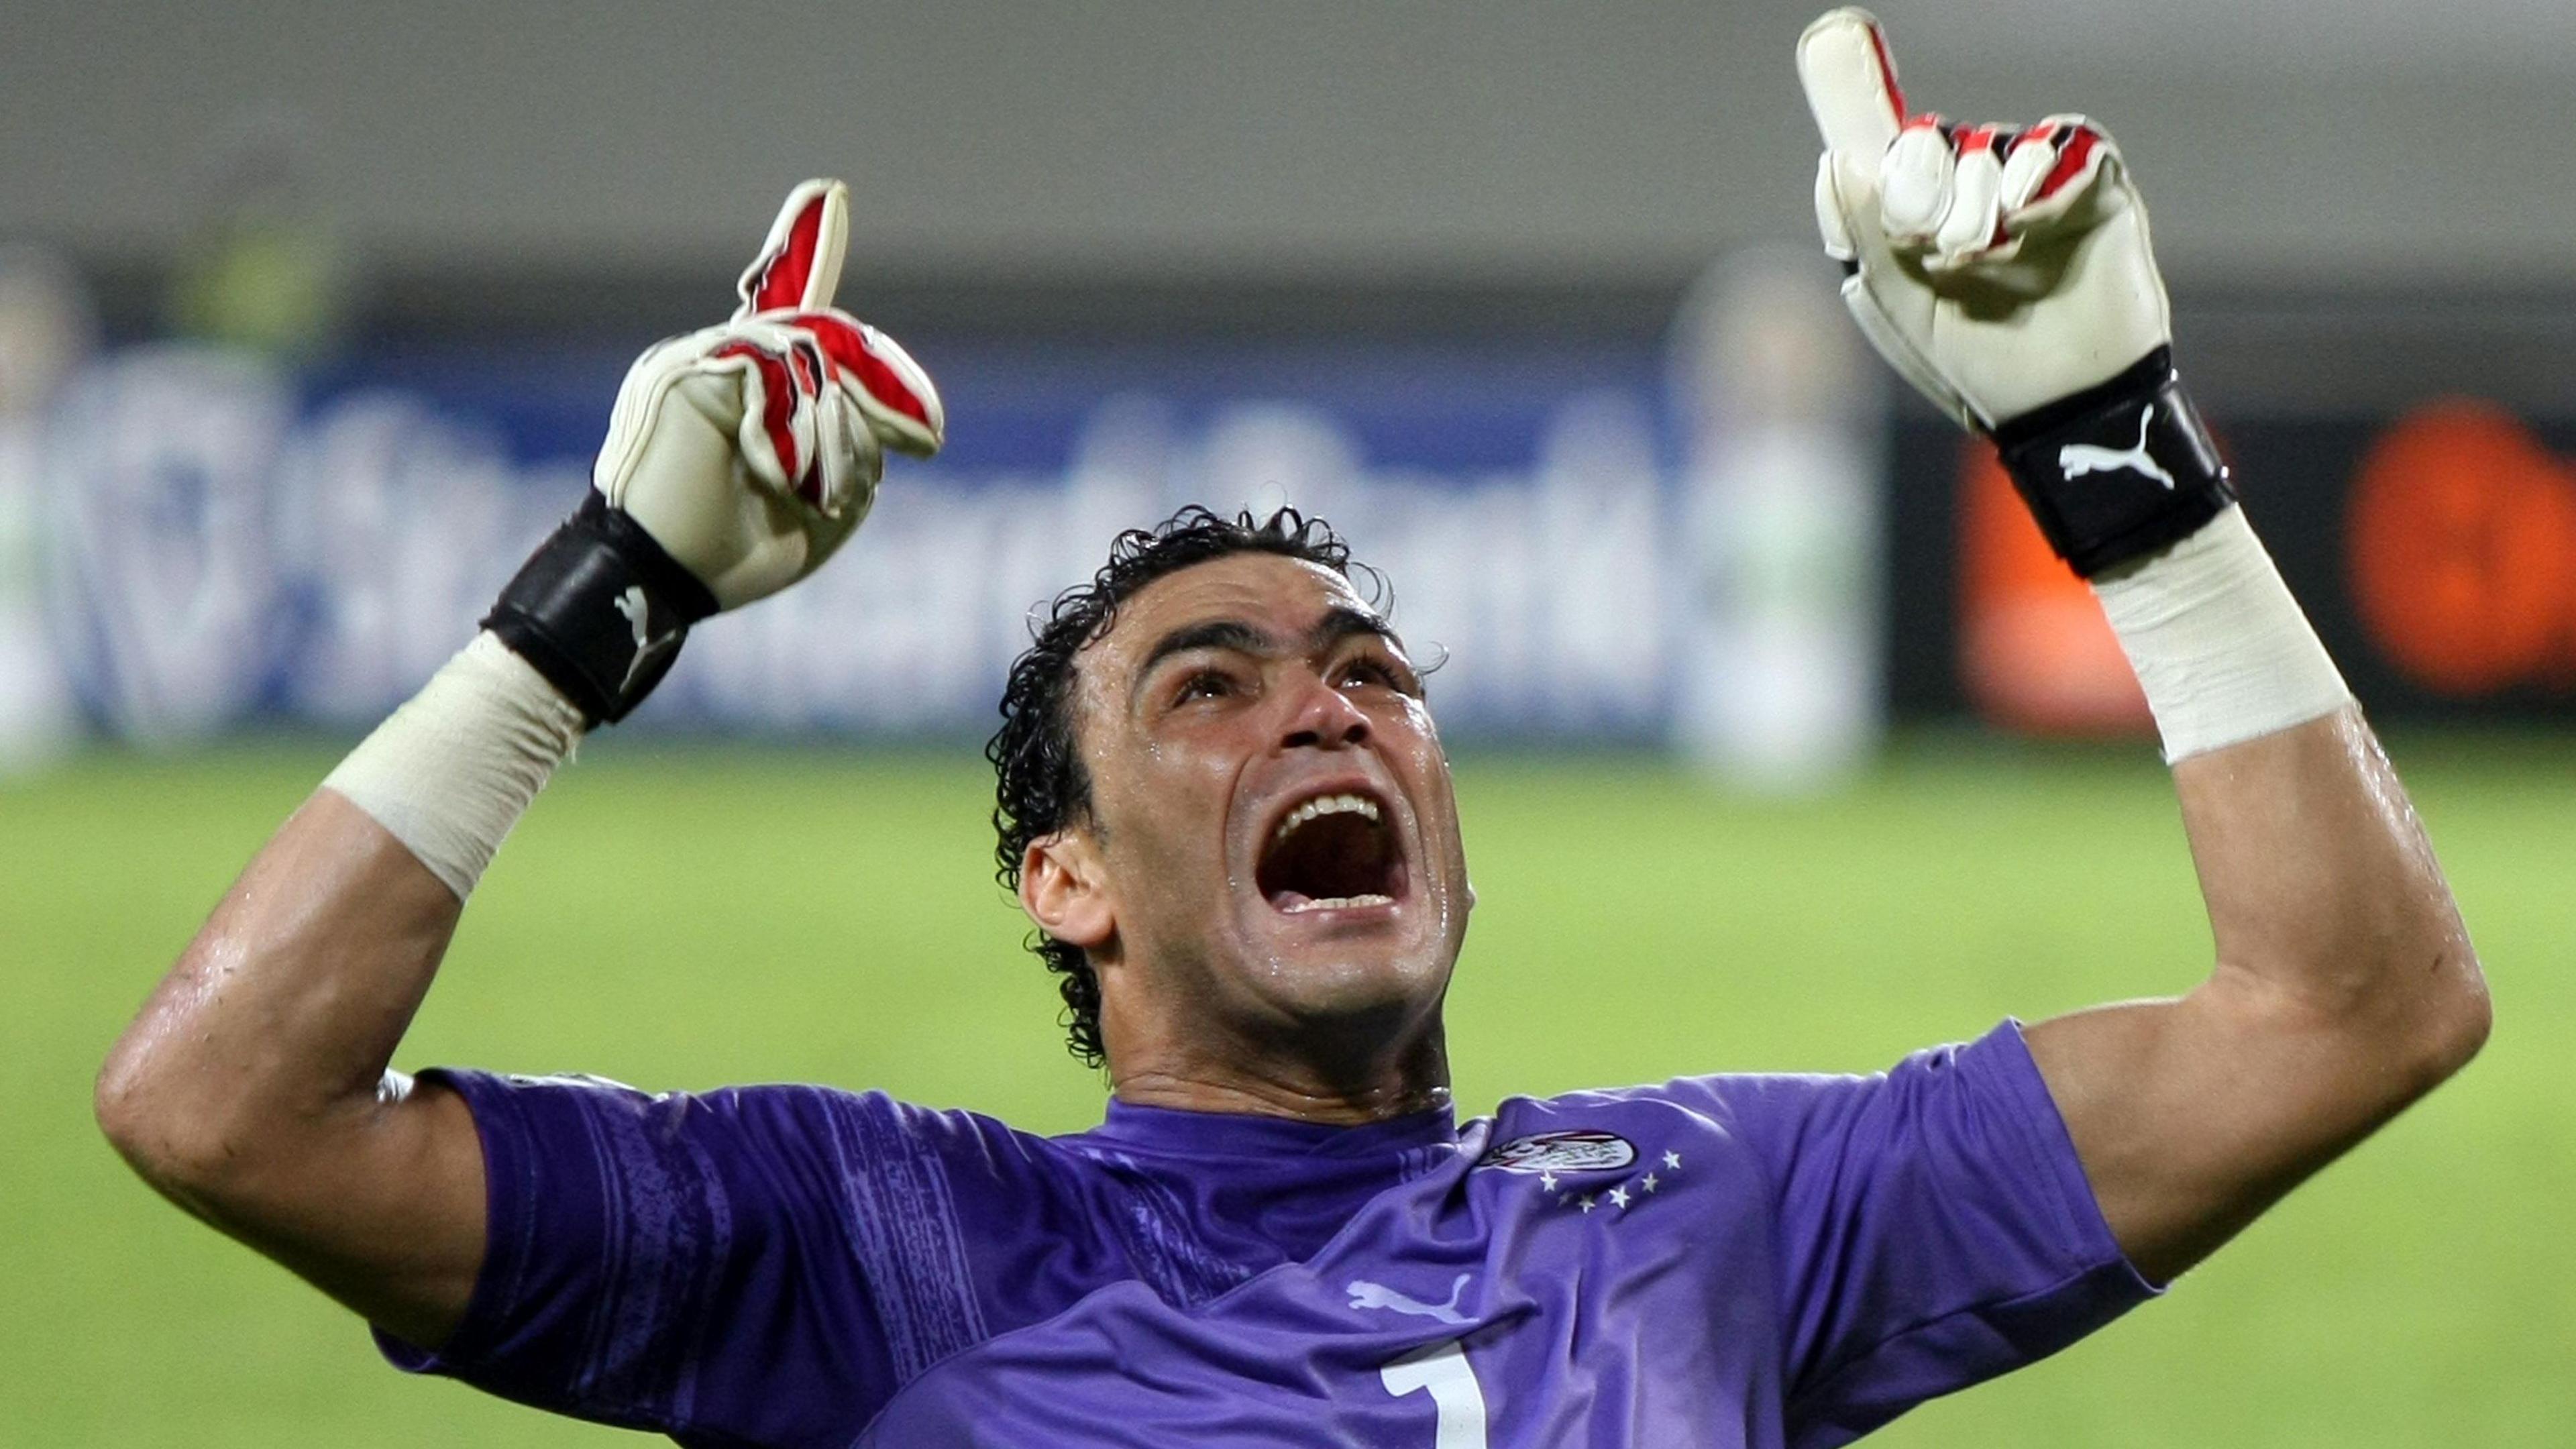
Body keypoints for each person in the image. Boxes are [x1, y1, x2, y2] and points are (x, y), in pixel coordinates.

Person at [97, 13, 2488, 1447]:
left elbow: (2353, 1011)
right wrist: (585, 621)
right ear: (1073, 883)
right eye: (1206, 689)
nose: (1320, 709)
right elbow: (221, 1107)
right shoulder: (880, 1246)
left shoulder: (1729, 1211)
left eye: (1369, 674)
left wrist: (2118, 457)